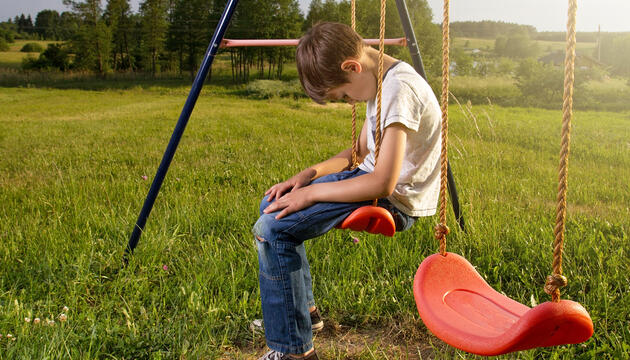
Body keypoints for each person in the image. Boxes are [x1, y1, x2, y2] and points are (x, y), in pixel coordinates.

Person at [254, 22, 442, 360]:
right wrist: (307, 175)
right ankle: (303, 316)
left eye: (342, 95)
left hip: (392, 199)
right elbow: (357, 154)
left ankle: (296, 352)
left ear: (352, 68)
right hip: (368, 179)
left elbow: (382, 182)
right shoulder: (380, 81)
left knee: (273, 229)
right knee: (273, 203)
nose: (348, 101)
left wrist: (310, 195)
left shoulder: (400, 90)